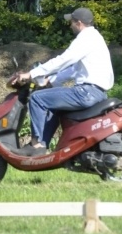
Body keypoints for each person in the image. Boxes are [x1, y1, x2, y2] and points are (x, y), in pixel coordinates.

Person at [10, 8, 115, 156]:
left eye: (71, 22)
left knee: (37, 98)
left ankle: (36, 144)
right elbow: (74, 69)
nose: (70, 25)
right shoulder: (95, 38)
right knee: (55, 107)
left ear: (79, 23)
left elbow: (63, 60)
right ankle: (42, 146)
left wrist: (31, 74)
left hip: (86, 92)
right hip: (96, 93)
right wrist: (52, 81)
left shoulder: (85, 39)